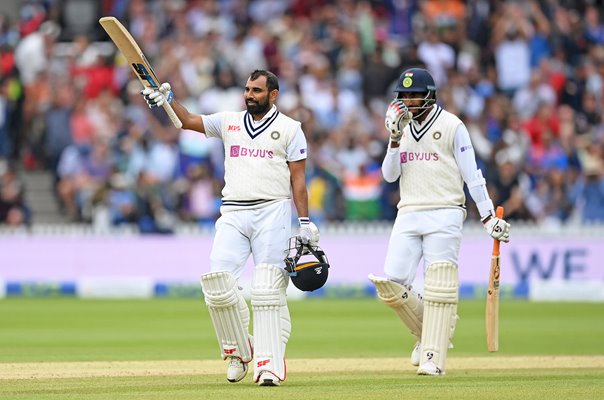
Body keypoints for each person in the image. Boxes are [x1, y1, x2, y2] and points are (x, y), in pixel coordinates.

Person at [141, 69, 319, 386]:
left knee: (267, 289)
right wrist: (168, 101)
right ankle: (240, 351)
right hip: (234, 210)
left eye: (257, 90)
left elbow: (298, 180)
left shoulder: (291, 130)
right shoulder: (230, 122)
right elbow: (187, 121)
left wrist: (304, 222)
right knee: (218, 286)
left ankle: (269, 365)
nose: (249, 95)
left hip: (272, 209)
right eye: (247, 89)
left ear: (273, 94)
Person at [368, 68, 510, 376]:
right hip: (408, 211)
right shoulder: (401, 128)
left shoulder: (452, 125)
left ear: (430, 95)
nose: (407, 101)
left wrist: (487, 217)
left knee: (439, 286)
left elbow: (472, 174)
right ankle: (430, 331)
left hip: (445, 211)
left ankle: (434, 358)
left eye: (414, 95)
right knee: (391, 284)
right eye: (403, 96)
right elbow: (389, 176)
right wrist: (393, 139)